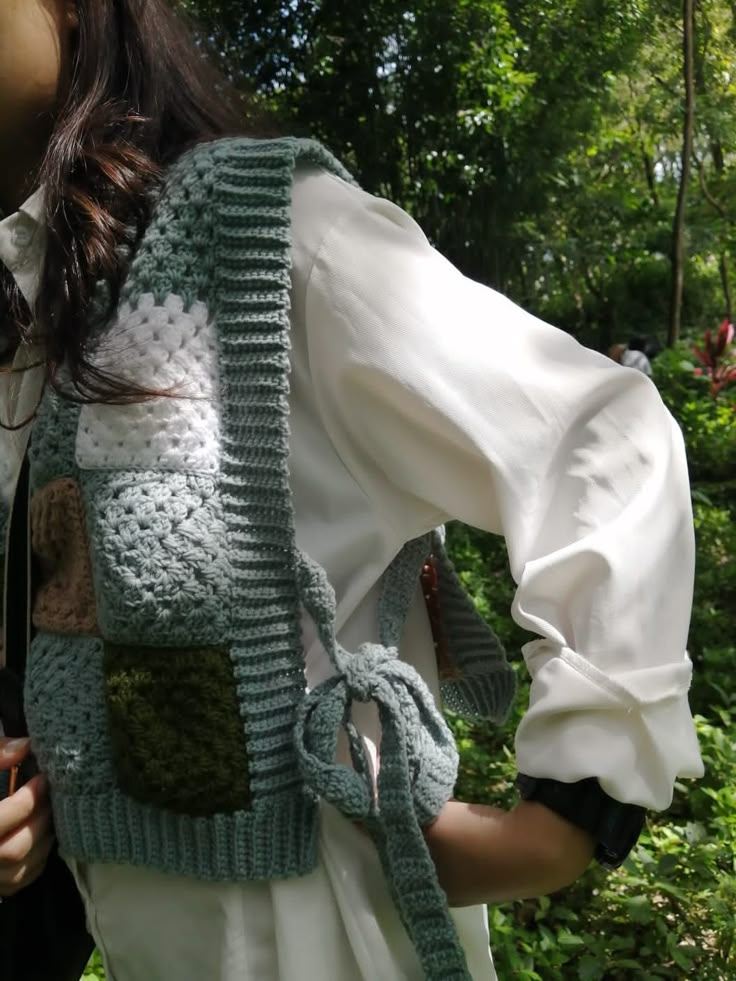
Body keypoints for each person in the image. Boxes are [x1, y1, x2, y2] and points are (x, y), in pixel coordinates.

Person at [0, 2, 704, 980]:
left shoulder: (262, 239)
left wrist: (568, 811)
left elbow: (604, 435)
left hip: (333, 935)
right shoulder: (48, 302)